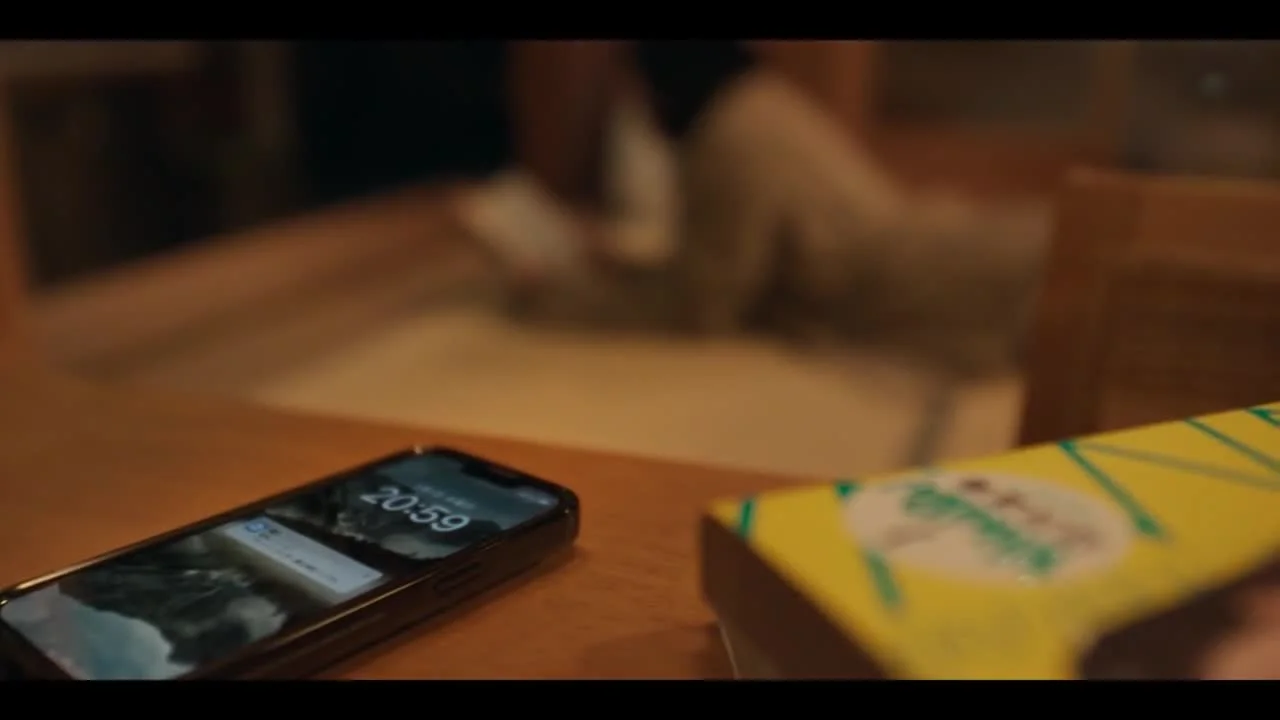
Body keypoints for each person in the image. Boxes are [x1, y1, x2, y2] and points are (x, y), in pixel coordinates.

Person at [461, 41, 1049, 376]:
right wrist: (620, 266)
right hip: (956, 238)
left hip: (943, 282)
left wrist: (552, 295)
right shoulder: (763, 99)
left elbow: (704, 302)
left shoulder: (727, 136)